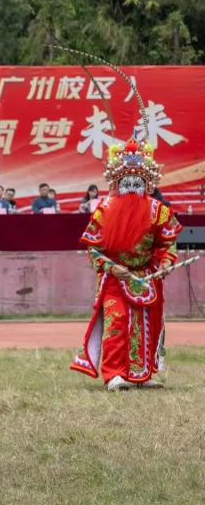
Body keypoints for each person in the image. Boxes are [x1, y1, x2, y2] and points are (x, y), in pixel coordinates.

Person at [71, 139, 182, 390]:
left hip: (147, 276)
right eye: (127, 183)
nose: (132, 189)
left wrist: (165, 262)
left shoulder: (159, 211)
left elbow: (168, 242)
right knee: (117, 321)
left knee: (148, 323)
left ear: (147, 185)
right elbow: (93, 249)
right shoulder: (104, 209)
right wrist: (112, 267)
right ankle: (114, 374)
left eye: (137, 183)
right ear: (117, 184)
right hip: (115, 276)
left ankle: (142, 374)